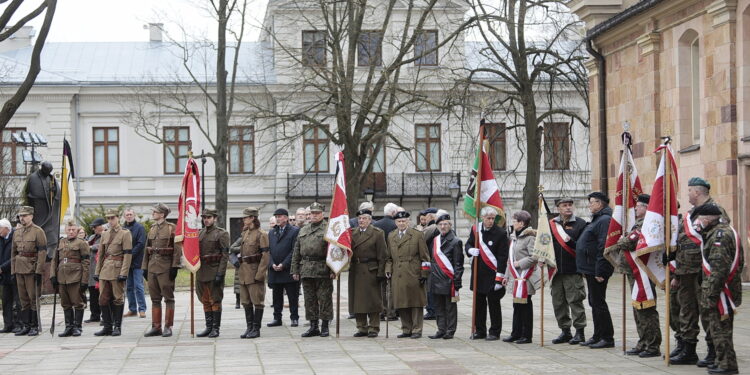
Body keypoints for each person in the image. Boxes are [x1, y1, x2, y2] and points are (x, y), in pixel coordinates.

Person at [671, 177, 731, 366]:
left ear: (697, 192)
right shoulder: (690, 214)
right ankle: (688, 348)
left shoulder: (715, 210)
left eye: (689, 191)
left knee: (707, 311)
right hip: (685, 270)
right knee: (686, 309)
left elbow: (716, 238)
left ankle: (714, 351)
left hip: (702, 270)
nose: (687, 194)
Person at [604, 194, 661, 357]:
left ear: (647, 207)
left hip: (643, 273)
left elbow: (626, 242)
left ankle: (652, 345)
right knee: (638, 309)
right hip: (633, 272)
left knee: (646, 309)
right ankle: (643, 342)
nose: (635, 208)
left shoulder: (646, 224)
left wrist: (624, 239)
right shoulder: (637, 223)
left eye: (639, 206)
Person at [693, 203, 743, 375]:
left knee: (720, 329)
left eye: (699, 218)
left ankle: (727, 365)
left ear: (707, 219)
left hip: (721, 291)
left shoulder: (719, 236)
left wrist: (710, 294)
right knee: (719, 328)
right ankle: (723, 361)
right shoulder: (724, 230)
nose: (698, 222)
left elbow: (719, 268)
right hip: (724, 288)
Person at [576, 192, 614, 349]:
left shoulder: (604, 220)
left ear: (600, 204)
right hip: (590, 268)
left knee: (599, 303)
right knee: (594, 302)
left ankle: (607, 337)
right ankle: (597, 335)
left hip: (597, 269)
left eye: (592, 202)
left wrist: (600, 270)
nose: (590, 205)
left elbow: (603, 246)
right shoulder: (597, 219)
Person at [465, 207, 509, 341]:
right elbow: (468, 244)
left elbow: (502, 257)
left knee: (494, 304)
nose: (490, 221)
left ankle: (495, 331)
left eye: (492, 218)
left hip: (492, 273)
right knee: (479, 304)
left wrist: (499, 278)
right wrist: (470, 250)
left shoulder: (500, 233)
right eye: (488, 218)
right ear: (482, 218)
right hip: (478, 273)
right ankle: (480, 330)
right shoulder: (476, 230)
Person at [548, 197, 588, 345]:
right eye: (564, 205)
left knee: (575, 301)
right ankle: (565, 331)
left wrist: (569, 242)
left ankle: (580, 332)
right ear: (558, 208)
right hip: (557, 271)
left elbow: (583, 246)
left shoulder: (580, 224)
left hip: (573, 270)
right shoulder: (552, 224)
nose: (568, 208)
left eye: (570, 205)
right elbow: (545, 243)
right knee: (558, 302)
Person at [291, 202, 334, 338]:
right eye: (312, 213)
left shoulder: (328, 229)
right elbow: (296, 251)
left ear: (322, 214)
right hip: (306, 269)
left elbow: (334, 251)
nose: (313, 216)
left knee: (324, 298)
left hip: (323, 268)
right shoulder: (304, 229)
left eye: (316, 213)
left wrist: (334, 269)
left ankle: (325, 326)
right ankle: (313, 326)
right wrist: (295, 269)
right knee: (309, 299)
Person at [386, 211, 429, 339]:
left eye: (404, 221)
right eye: (399, 221)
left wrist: (424, 273)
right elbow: (388, 257)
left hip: (413, 273)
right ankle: (406, 329)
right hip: (397, 274)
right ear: (395, 222)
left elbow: (425, 257)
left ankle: (416, 329)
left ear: (408, 222)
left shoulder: (417, 235)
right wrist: (388, 270)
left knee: (415, 303)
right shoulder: (391, 236)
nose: (401, 223)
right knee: (401, 302)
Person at [142, 203, 182, 337]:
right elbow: (147, 249)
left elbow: (177, 250)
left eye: (155, 212)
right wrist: (144, 267)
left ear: (162, 214)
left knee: (168, 298)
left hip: (165, 267)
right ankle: (156, 326)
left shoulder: (172, 228)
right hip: (152, 267)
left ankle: (168, 326)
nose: (153, 213)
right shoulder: (152, 229)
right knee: (154, 298)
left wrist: (174, 266)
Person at [230, 207, 270, 339]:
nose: (243, 219)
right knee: (246, 302)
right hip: (243, 272)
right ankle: (249, 327)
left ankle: (256, 329)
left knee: (257, 301)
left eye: (246, 217)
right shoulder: (245, 233)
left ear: (253, 218)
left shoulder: (261, 234)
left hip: (254, 272)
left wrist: (260, 274)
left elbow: (265, 256)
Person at [502, 210, 539, 344]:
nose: (513, 223)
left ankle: (526, 335)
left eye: (514, 221)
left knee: (525, 307)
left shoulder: (530, 237)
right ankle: (515, 333)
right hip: (515, 277)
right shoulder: (514, 237)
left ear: (521, 223)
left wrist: (520, 263)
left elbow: (534, 257)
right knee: (516, 306)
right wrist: (506, 275)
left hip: (525, 277)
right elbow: (510, 259)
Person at [93, 209, 132, 336]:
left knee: (118, 299)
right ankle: (107, 326)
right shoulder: (105, 234)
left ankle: (117, 326)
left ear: (118, 218)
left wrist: (124, 273)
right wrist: (97, 271)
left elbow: (127, 254)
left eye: (112, 218)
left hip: (117, 269)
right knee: (103, 299)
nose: (110, 221)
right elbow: (101, 254)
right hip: (105, 270)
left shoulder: (125, 233)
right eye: (108, 218)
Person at [349, 208, 387, 337]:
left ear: (370, 220)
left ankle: (374, 327)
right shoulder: (352, 233)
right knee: (358, 300)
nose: (361, 221)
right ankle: (361, 327)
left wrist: (381, 272)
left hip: (371, 270)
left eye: (364, 218)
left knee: (373, 300)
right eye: (359, 218)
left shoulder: (377, 233)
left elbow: (383, 255)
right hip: (356, 269)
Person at [50, 220, 91, 337]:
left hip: (76, 277)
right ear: (65, 230)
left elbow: (86, 263)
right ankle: (68, 326)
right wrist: (53, 275)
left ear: (77, 230)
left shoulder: (82, 243)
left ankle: (77, 327)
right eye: (69, 229)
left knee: (77, 303)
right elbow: (54, 260)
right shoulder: (60, 242)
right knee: (65, 303)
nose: (71, 232)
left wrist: (84, 280)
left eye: (73, 229)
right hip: (62, 277)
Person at [11, 206, 46, 336]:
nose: (22, 218)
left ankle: (34, 326)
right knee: (23, 299)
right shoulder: (17, 232)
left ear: (31, 216)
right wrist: (13, 270)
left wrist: (39, 270)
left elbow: (42, 252)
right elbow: (13, 252)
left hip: (32, 269)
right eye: (20, 216)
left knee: (33, 298)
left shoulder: (38, 231)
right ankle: (26, 325)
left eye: (24, 216)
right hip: (20, 268)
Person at [427, 214, 463, 340]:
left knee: (450, 307)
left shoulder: (456, 241)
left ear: (450, 225)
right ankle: (441, 329)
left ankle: (450, 330)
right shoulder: (435, 240)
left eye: (445, 224)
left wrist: (457, 281)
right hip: (436, 278)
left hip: (449, 280)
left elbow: (458, 264)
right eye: (440, 224)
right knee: (438, 307)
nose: (443, 226)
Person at [195, 208, 230, 338]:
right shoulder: (200, 233)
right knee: (204, 300)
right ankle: (208, 327)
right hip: (201, 271)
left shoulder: (221, 233)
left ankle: (216, 328)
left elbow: (225, 255)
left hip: (214, 270)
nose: (206, 220)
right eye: (204, 217)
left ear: (215, 218)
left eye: (209, 217)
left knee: (215, 300)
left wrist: (220, 274)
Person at [267, 208, 300, 328]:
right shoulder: (271, 232)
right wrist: (271, 264)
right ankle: (277, 318)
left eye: (280, 216)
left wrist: (284, 264)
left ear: (286, 218)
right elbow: (268, 251)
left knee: (292, 296)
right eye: (276, 216)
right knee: (276, 296)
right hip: (275, 269)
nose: (277, 218)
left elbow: (295, 250)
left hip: (288, 269)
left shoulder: (294, 231)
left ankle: (294, 318)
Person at [122, 208, 147, 318]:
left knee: (138, 286)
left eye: (130, 214)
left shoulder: (140, 228)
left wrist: (130, 255)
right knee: (129, 287)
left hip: (137, 261)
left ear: (134, 215)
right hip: (126, 263)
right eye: (127, 214)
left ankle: (142, 309)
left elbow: (141, 244)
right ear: (124, 216)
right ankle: (132, 309)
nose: (129, 216)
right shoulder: (123, 229)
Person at [84, 218, 106, 324]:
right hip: (91, 268)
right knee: (92, 294)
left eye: (95, 226)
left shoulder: (105, 236)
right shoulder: (92, 237)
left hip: (101, 268)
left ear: (102, 226)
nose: (94, 229)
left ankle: (104, 315)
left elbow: (102, 246)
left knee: (101, 293)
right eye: (93, 227)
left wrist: (91, 247)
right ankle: (94, 315)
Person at [0, 218, 19, 333]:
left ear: (7, 228)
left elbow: (16, 256)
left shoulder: (15, 237)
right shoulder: (1, 239)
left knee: (17, 300)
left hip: (14, 272)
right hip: (3, 276)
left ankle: (18, 324)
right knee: (6, 300)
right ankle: (8, 324)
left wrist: (2, 267)